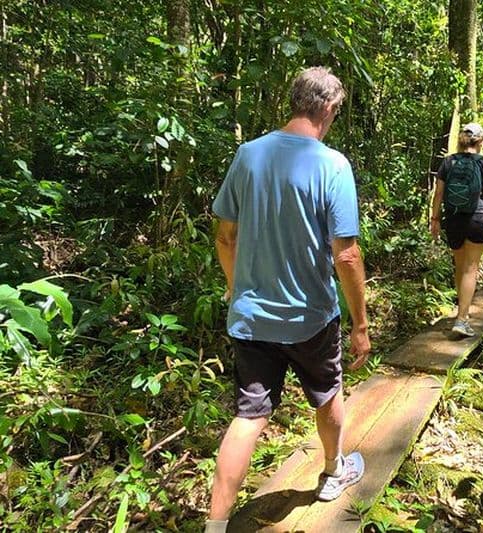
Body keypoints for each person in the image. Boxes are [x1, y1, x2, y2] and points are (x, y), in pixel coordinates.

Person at [205, 67, 371, 533]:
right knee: (327, 394)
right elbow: (348, 254)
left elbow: (225, 236)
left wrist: (239, 289)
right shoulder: (332, 165)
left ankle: (214, 527)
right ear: (329, 109)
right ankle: (334, 471)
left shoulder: (248, 155)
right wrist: (360, 323)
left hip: (252, 319)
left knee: (248, 416)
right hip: (311, 318)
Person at [430, 123, 483, 337]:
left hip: (453, 218)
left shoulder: (448, 162)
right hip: (478, 217)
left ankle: (461, 312)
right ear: (480, 141)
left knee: (460, 266)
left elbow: (438, 194)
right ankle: (462, 319)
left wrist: (434, 219)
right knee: (470, 268)